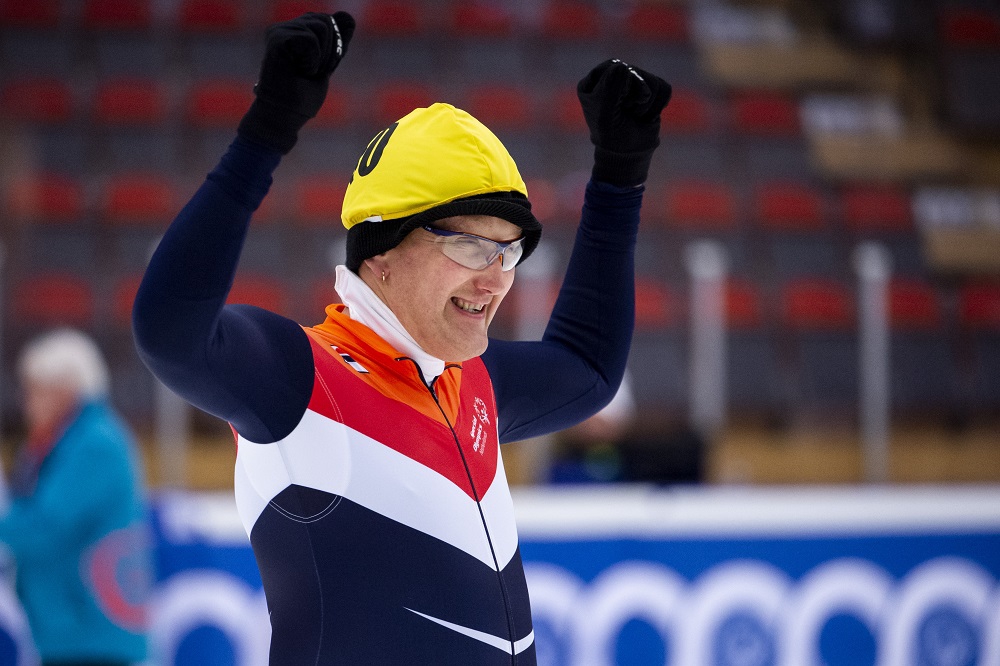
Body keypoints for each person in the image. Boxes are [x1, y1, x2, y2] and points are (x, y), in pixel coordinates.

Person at [132, 10, 670, 664]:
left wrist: (619, 175)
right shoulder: (304, 383)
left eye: (509, 253)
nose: (495, 280)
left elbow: (586, 368)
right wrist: (266, 129)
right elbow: (170, 331)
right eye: (471, 246)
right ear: (379, 253)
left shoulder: (471, 380)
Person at [0, 328, 151, 666]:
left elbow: (46, 525)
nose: (27, 404)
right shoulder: (61, 442)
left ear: (64, 390)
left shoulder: (95, 444)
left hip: (90, 631)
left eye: (35, 391)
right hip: (73, 629)